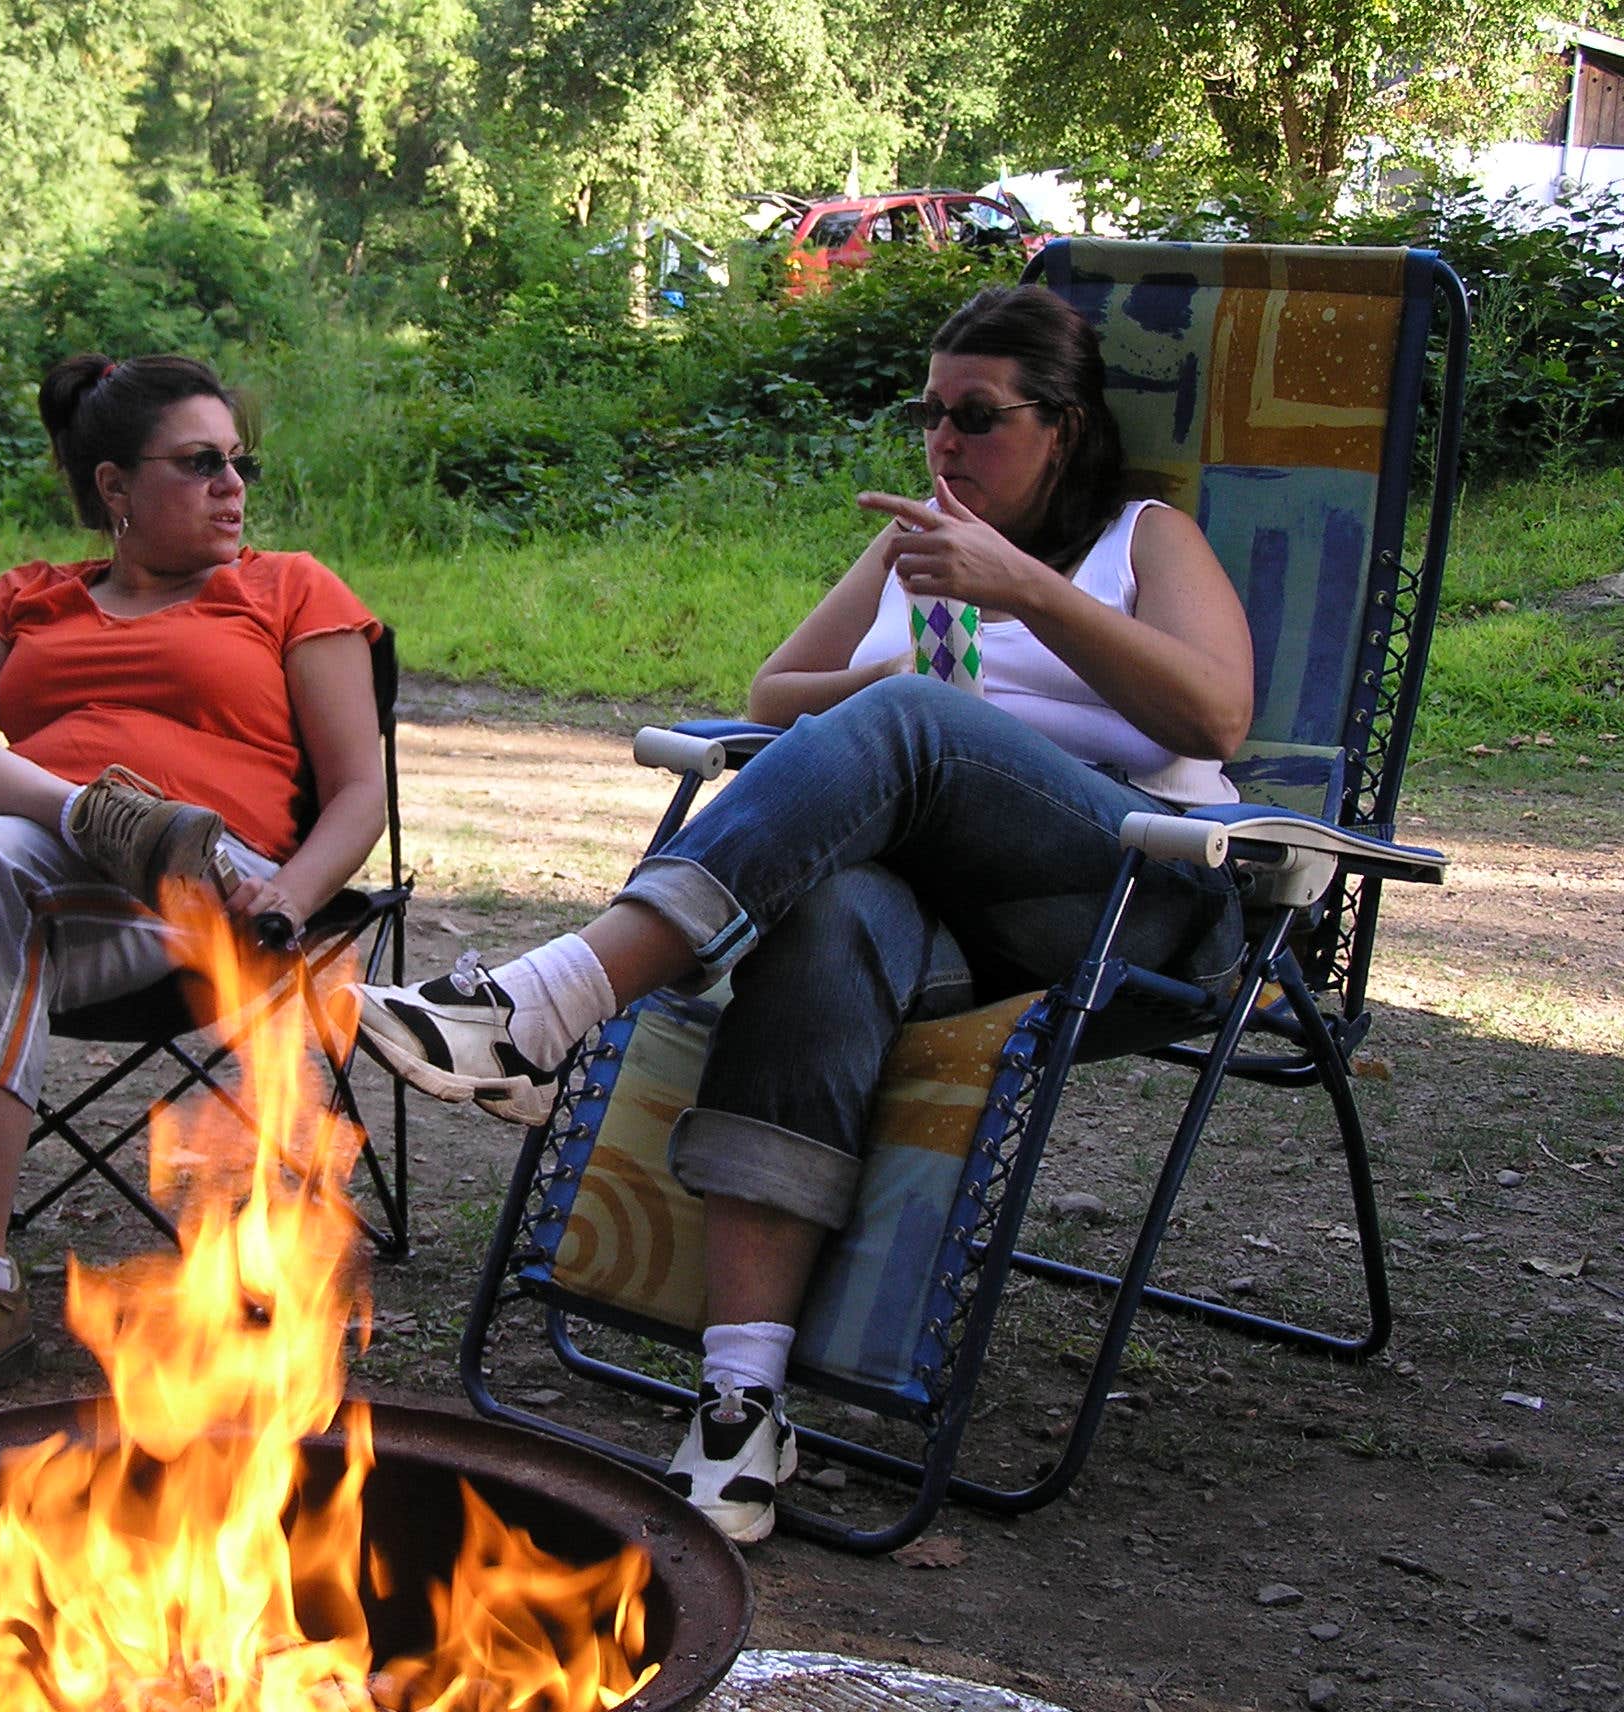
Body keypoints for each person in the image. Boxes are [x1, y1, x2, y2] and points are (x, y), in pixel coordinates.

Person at [353, 285, 1253, 1543]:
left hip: (1114, 896)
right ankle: (740, 1399)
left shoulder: (1142, 540)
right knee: (826, 916)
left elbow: (1215, 719)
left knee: (911, 722)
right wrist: (888, 670)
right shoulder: (912, 543)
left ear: (1061, 423)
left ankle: (548, 1001)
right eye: (928, 414)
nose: (942, 444)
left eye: (976, 417)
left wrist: (1021, 600)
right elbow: (776, 691)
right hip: (937, 914)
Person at [0, 353, 385, 1415]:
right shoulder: (27, 597)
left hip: (197, 894)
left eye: (239, 462)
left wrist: (287, 894)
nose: (233, 484)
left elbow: (359, 791)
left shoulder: (290, 588)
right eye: (198, 462)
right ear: (113, 488)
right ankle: (92, 815)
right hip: (21, 864)